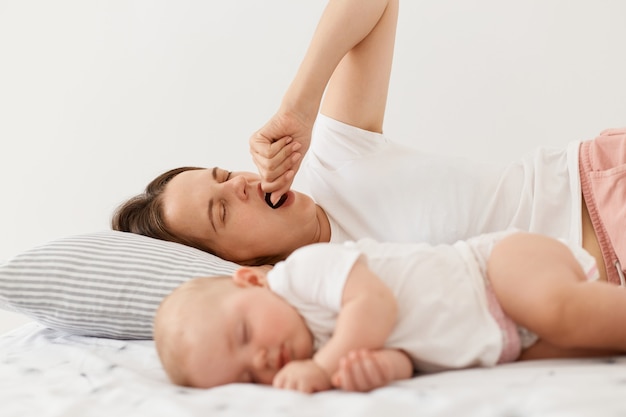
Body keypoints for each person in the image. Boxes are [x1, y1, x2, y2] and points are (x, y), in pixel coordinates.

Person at [112, 0, 626, 286]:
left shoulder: (331, 160)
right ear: (236, 264)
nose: (242, 186)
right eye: (221, 213)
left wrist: (299, 105)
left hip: (599, 187)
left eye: (224, 177)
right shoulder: (324, 294)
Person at [154, 230, 626, 393]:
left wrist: (324, 366)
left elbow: (374, 305)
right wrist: (376, 370)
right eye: (244, 378)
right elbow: (408, 358)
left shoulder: (299, 274)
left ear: (253, 279)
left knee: (557, 311)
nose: (258, 359)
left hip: (495, 271)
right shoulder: (326, 353)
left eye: (243, 334)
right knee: (578, 345)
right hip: (501, 342)